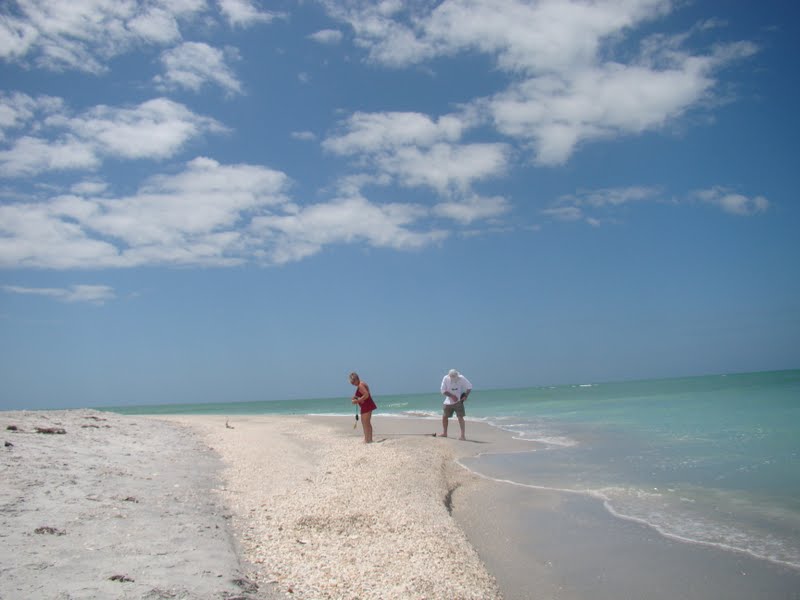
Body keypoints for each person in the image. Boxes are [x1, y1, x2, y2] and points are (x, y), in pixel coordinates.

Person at [440, 368, 472, 440]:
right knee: (444, 417)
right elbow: (442, 390)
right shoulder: (445, 378)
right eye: (452, 376)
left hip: (459, 401)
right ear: (449, 376)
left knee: (460, 417)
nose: (454, 378)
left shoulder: (461, 378)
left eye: (455, 376)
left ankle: (462, 436)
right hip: (448, 401)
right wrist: (452, 396)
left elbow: (469, 387)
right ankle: (445, 433)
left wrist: (466, 396)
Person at [349, 372, 376, 443]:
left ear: (356, 379)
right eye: (351, 383)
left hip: (366, 405)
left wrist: (357, 401)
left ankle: (367, 440)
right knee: (367, 423)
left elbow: (366, 395)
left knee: (365, 423)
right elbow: (365, 394)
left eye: (353, 382)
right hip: (367, 404)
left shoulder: (360, 385)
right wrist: (356, 397)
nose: (353, 384)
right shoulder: (362, 383)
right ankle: (369, 439)